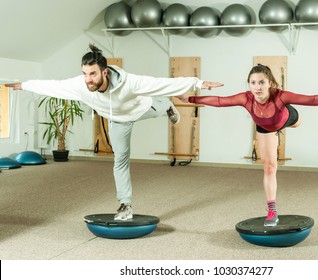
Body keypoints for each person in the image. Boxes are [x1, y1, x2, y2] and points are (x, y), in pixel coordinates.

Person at [6, 44, 223, 221]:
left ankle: (167, 106)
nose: (88, 79)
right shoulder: (81, 85)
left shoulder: (130, 83)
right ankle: (125, 204)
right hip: (118, 120)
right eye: (85, 74)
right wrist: (24, 85)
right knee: (120, 160)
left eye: (92, 74)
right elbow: (55, 86)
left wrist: (198, 82)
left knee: (160, 103)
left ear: (104, 72)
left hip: (141, 108)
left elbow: (161, 83)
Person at [182, 64, 318, 227]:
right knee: (269, 167)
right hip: (266, 128)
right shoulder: (245, 98)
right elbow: (219, 101)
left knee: (297, 123)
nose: (257, 87)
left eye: (261, 82)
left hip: (288, 118)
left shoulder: (281, 97)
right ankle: (272, 210)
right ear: (249, 84)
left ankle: (287, 124)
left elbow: (312, 99)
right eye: (253, 82)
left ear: (270, 82)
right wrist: (190, 99)